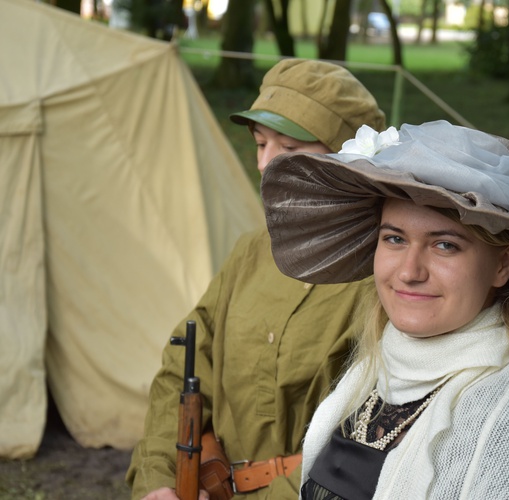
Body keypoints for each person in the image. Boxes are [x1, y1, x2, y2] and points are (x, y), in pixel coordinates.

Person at [259, 120, 509, 499]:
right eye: (395, 238)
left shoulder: (506, 429)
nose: (410, 271)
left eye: (445, 245)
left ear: (503, 265)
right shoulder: (373, 375)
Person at [126, 58, 386, 500]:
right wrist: (161, 478)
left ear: (348, 163)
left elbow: (367, 442)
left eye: (288, 150)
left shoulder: (383, 277)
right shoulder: (251, 251)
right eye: (261, 143)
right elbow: (183, 368)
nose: (265, 165)